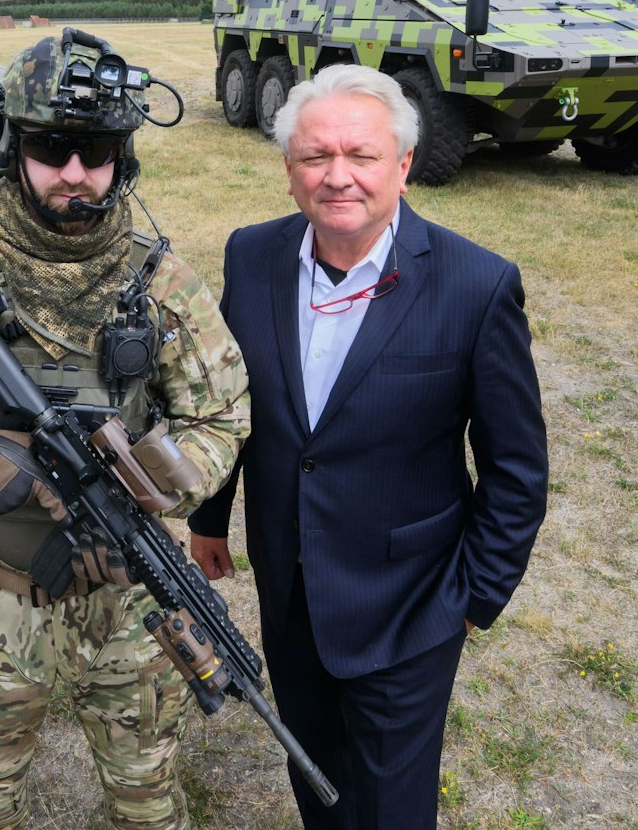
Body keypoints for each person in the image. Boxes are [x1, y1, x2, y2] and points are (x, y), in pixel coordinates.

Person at [0, 31, 249, 830]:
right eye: (52, 147)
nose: (75, 171)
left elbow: (223, 413)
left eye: (97, 150)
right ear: (14, 146)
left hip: (130, 603)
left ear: (122, 156)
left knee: (148, 800)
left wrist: (147, 489)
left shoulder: (159, 280)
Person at [187, 63, 548, 829]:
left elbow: (517, 467)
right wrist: (211, 515)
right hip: (289, 589)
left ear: (404, 165)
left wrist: (476, 595)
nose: (338, 176)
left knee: (388, 803)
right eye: (316, 157)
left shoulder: (476, 285)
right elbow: (231, 400)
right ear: (289, 171)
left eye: (362, 156)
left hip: (410, 604)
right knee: (314, 769)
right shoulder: (251, 257)